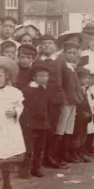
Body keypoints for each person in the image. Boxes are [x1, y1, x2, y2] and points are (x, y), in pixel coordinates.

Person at [0, 56, 25, 189]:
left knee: (7, 157)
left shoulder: (13, 92)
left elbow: (20, 106)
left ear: (6, 76)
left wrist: (15, 112)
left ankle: (7, 185)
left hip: (10, 128)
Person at [33, 35, 67, 170]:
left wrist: (62, 96)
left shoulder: (59, 61)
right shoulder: (36, 62)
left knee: (53, 128)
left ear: (55, 46)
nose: (47, 46)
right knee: (41, 128)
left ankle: (50, 155)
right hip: (42, 100)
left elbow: (65, 79)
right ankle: (39, 157)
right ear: (40, 47)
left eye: (50, 43)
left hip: (56, 99)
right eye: (44, 44)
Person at [19, 63, 52, 178]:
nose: (44, 78)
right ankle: (25, 170)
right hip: (30, 124)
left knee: (40, 147)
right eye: (41, 75)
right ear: (34, 77)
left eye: (46, 76)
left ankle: (36, 168)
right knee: (28, 148)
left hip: (42, 123)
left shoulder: (45, 90)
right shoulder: (27, 90)